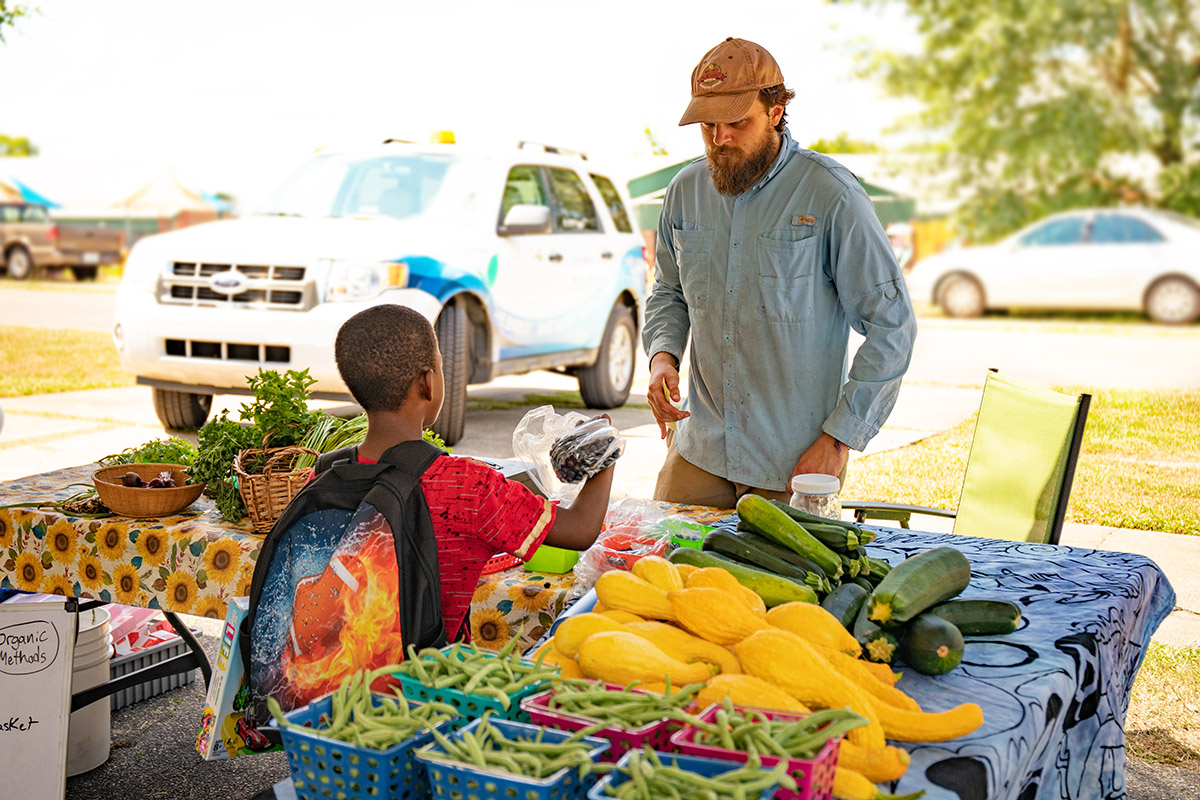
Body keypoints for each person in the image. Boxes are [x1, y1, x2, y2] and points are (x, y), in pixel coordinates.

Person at [643, 37, 917, 509]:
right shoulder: (684, 190)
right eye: (708, 124)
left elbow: (893, 328)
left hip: (793, 464)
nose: (719, 137)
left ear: (775, 112)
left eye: (736, 122)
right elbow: (669, 289)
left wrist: (839, 440)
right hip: (697, 447)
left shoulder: (833, 196)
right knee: (660, 570)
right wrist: (662, 356)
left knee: (774, 586)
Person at [333, 303, 616, 640]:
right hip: (424, 679)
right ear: (428, 383)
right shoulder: (467, 486)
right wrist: (603, 448)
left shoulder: (325, 477)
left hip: (337, 672)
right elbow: (581, 530)